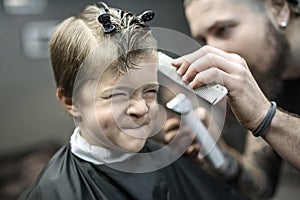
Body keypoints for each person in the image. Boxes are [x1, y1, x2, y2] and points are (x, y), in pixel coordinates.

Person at [18, 2, 247, 200]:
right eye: (117, 95)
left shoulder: (171, 162)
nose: (141, 108)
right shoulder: (52, 192)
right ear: (70, 101)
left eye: (149, 91)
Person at [163, 0, 300, 199]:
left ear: (279, 10)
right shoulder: (271, 78)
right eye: (203, 39)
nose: (212, 50)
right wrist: (216, 154)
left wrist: (265, 117)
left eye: (223, 30)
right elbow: (261, 186)